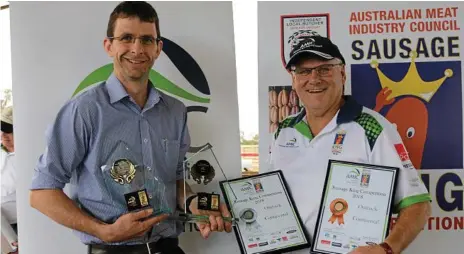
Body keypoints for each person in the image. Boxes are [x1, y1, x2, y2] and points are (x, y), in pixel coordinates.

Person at [29, 2, 232, 254]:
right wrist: (103, 231)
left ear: (158, 49)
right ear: (109, 46)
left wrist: (192, 203)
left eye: (147, 40)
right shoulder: (85, 110)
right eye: (126, 38)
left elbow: (176, 179)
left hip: (168, 248)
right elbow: (41, 192)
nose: (137, 49)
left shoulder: (175, 111)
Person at [268, 35, 431, 254]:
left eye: (325, 69)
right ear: (294, 80)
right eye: (304, 71)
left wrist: (386, 249)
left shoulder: (372, 127)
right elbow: (271, 200)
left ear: (342, 74)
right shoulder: (284, 129)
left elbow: (418, 205)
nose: (314, 79)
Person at [1, 106, 18, 254]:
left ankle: (15, 245)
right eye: (2, 131)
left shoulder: (28, 157)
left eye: (9, 132)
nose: (4, 136)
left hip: (16, 222)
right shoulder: (2, 154)